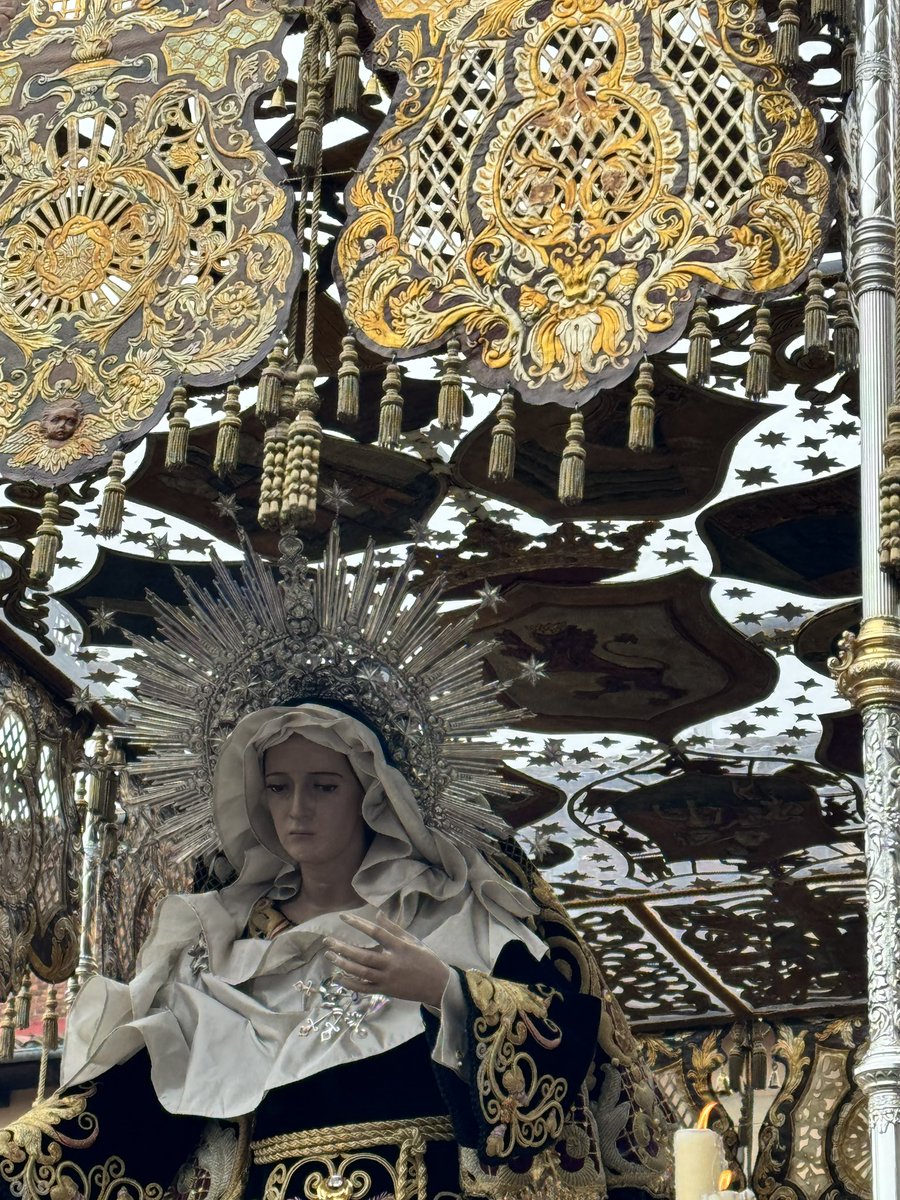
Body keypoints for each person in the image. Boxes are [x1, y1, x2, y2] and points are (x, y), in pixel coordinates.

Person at [0, 534, 672, 1200]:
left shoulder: (452, 909)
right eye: (279, 786)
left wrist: (445, 990)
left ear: (372, 794)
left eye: (323, 786)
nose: (297, 811)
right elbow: (131, 1115)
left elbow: (566, 1044)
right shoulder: (224, 946)